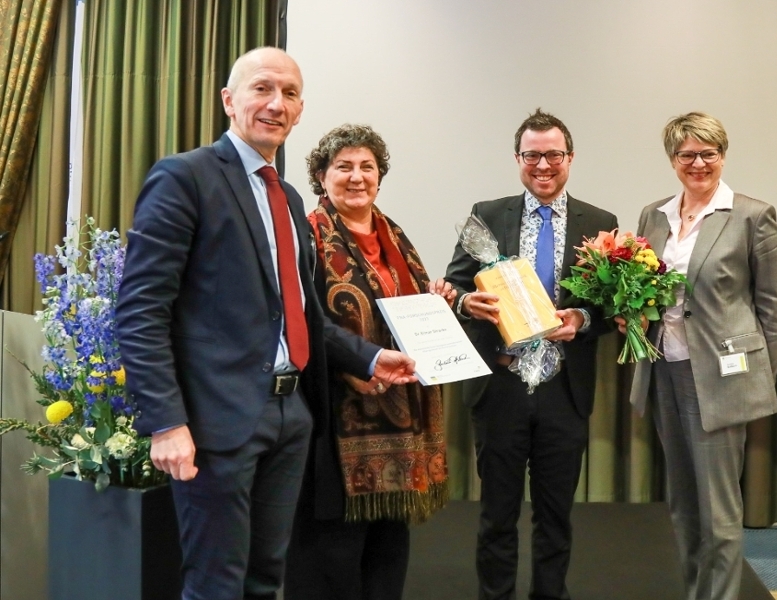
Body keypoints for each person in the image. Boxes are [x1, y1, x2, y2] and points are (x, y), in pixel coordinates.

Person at [115, 48, 416, 600]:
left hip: (289, 417)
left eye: (290, 93)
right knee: (215, 585)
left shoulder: (289, 197)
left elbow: (303, 316)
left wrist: (370, 357)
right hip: (215, 421)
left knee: (264, 580)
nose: (277, 103)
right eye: (263, 88)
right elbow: (140, 310)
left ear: (300, 111)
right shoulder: (185, 177)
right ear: (229, 101)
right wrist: (165, 422)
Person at [444, 108, 618, 600]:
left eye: (554, 155)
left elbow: (610, 308)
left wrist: (581, 319)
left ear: (570, 158)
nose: (543, 166)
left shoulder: (600, 224)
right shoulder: (487, 215)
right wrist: (466, 302)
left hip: (564, 391)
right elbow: (455, 287)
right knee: (497, 515)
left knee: (555, 516)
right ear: (518, 158)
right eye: (532, 156)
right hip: (501, 385)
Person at [283, 124, 453, 600]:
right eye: (344, 167)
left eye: (367, 167)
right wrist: (350, 369)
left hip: (401, 425)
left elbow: (402, 309)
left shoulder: (393, 233)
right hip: (334, 418)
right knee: (330, 557)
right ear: (321, 176)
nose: (357, 177)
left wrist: (437, 301)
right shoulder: (306, 235)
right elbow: (298, 320)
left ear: (380, 176)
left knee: (386, 552)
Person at [625, 112, 777, 600]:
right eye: (686, 155)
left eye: (708, 153)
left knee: (718, 512)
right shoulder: (654, 215)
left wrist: (755, 378)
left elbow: (774, 308)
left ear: (722, 155)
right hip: (663, 370)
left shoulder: (752, 216)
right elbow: (643, 288)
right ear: (672, 159)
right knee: (683, 504)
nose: (697, 163)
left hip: (721, 378)